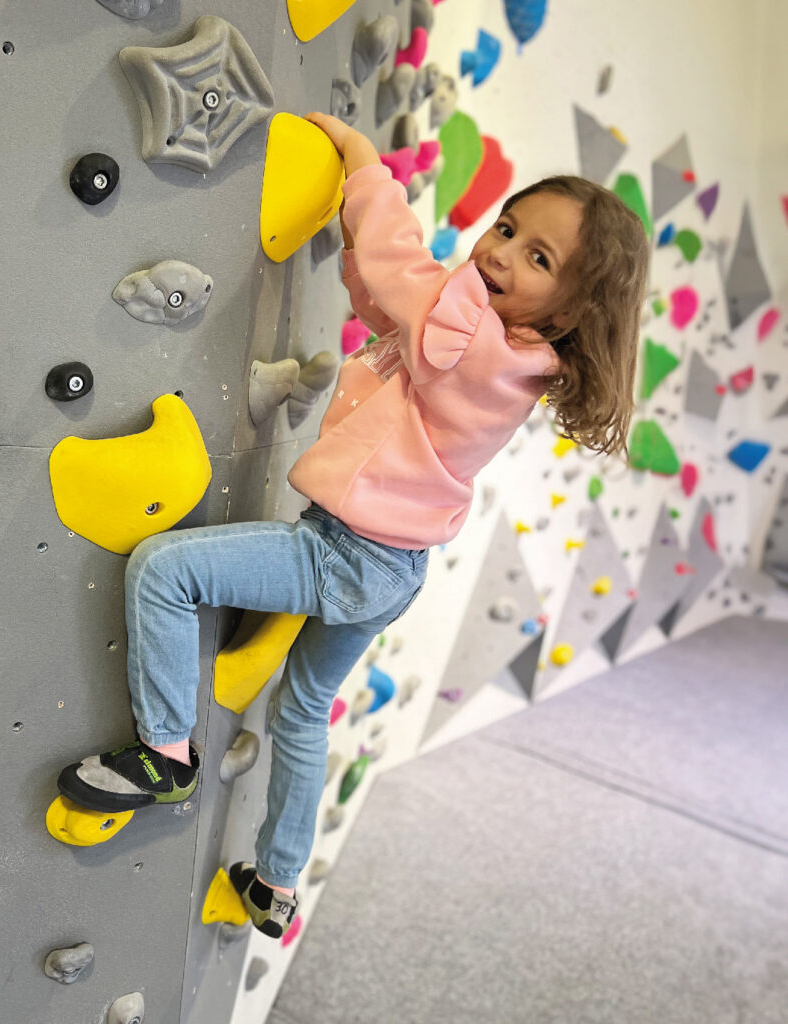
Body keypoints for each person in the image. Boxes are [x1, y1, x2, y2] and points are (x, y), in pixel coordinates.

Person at [54, 112, 649, 938]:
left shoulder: (476, 340)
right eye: (508, 227)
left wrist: (365, 168)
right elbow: (386, 305)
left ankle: (163, 753)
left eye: (538, 258)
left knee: (165, 569)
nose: (502, 252)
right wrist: (353, 230)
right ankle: (275, 884)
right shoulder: (503, 354)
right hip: (392, 570)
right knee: (301, 712)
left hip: (345, 555)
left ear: (569, 312)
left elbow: (399, 269)